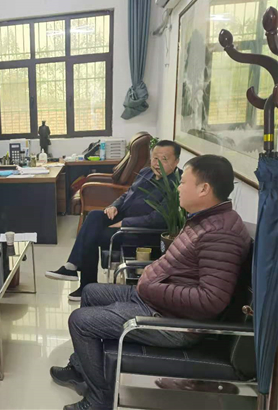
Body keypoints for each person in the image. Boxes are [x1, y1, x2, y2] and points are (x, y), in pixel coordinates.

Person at [50, 155, 251, 410]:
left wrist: (153, 287)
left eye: (183, 182)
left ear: (204, 189)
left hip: (175, 322)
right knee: (90, 292)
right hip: (157, 301)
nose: (178, 188)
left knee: (80, 321)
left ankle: (100, 399)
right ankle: (80, 368)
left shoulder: (220, 233)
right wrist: (151, 281)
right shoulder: (204, 219)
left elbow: (211, 300)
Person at [46, 140, 182, 301]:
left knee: (92, 234)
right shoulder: (146, 172)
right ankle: (72, 267)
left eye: (164, 159)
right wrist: (113, 206)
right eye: (154, 158)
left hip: (139, 231)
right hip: (123, 216)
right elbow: (127, 194)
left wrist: (124, 223)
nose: (157, 164)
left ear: (176, 161)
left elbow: (158, 219)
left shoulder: (176, 184)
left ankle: (83, 282)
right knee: (94, 216)